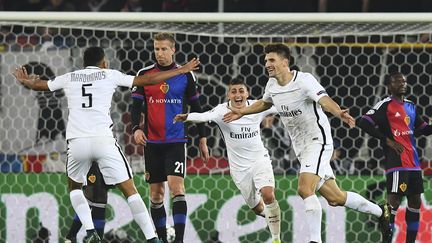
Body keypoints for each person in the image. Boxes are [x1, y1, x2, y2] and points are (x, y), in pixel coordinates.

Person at [13, 46, 200, 243]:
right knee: (130, 191)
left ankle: (90, 231)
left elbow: (43, 85)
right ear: (104, 62)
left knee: (75, 188)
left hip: (77, 143)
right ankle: (152, 238)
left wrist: (27, 82)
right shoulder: (109, 75)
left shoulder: (70, 77)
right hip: (103, 141)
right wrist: (180, 70)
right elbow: (146, 80)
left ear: (83, 63)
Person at [222, 43, 392, 243]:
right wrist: (242, 111)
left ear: (285, 62)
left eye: (271, 60)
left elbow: (324, 99)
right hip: (301, 148)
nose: (267, 64)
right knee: (335, 197)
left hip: (317, 142)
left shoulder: (304, 81)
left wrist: (338, 112)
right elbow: (264, 103)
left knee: (304, 189)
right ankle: (382, 212)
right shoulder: (272, 85)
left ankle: (314, 240)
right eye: (266, 60)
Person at [174, 78, 282, 243]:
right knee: (258, 208)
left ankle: (276, 238)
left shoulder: (257, 107)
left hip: (260, 160)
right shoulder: (221, 111)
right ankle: (271, 218)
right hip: (239, 169)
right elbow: (203, 116)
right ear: (228, 94)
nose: (238, 95)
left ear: (247, 93)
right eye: (234, 91)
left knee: (268, 194)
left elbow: (281, 106)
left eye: (241, 91)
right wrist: (187, 117)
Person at [130, 32, 209, 243]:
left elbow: (197, 107)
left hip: (175, 141)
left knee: (177, 189)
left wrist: (203, 138)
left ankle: (179, 240)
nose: (160, 53)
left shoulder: (185, 75)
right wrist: (135, 129)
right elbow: (136, 106)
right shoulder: (145, 74)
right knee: (156, 195)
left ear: (173, 50)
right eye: (156, 48)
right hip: (151, 142)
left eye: (164, 49)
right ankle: (163, 239)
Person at [358, 72, 432, 243]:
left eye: (404, 81)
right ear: (389, 85)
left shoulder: (411, 106)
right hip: (397, 162)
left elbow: (422, 129)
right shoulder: (385, 104)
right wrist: (387, 141)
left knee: (415, 202)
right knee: (393, 203)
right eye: (397, 81)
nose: (402, 84)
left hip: (414, 163)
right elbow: (363, 122)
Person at [65, 162, 111, 242]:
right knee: (92, 192)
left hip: (102, 161)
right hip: (90, 161)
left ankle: (71, 236)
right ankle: (71, 236)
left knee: (99, 195)